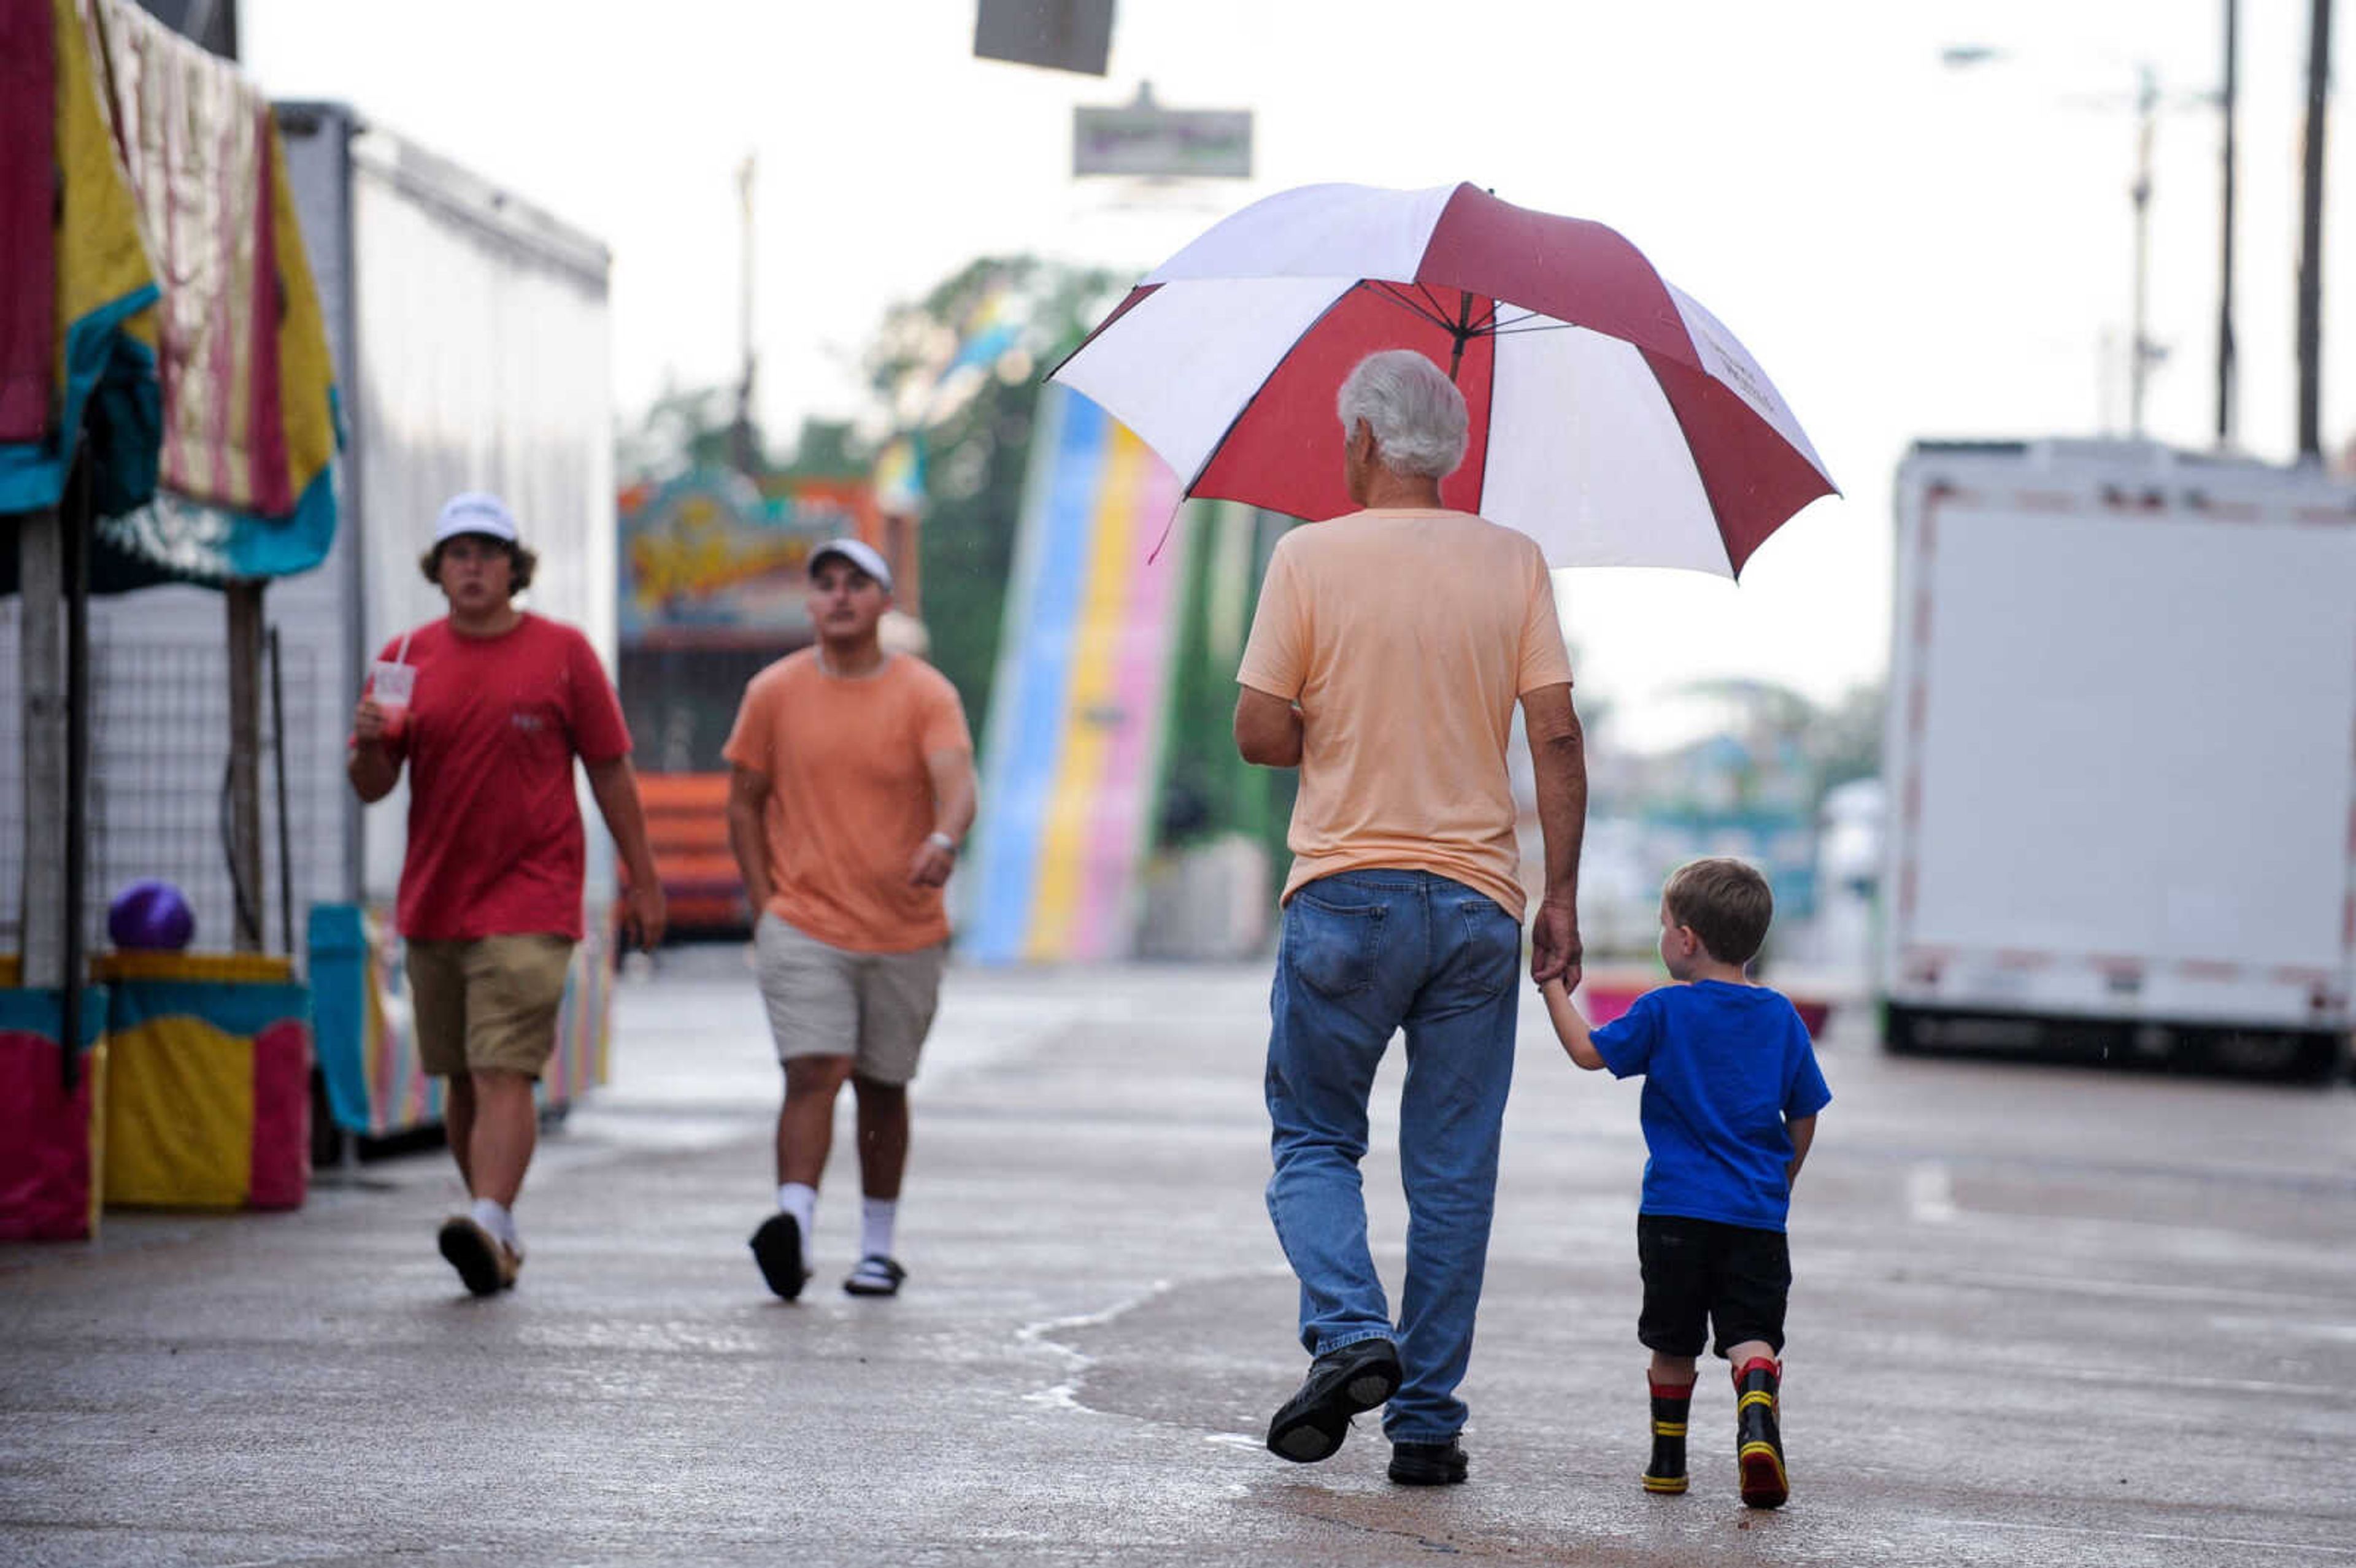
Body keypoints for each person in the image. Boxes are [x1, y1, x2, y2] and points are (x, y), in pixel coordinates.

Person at [1235, 348, 1588, 1486]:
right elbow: (1558, 738)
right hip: (1482, 905)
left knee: (1313, 1138)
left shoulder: (1307, 558)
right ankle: (1427, 1427)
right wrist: (1563, 896)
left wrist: (1328, 730)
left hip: (1344, 896)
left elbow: (1256, 729)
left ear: (1365, 442)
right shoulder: (1515, 561)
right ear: (1452, 451)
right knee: (1451, 1171)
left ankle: (1347, 1331)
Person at [348, 490, 665, 1297]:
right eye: (460, 553)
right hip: (436, 901)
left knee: (503, 1068)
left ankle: (489, 1214)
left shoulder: (563, 653)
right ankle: (497, 1228)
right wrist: (374, 746)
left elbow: (610, 768)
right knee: (458, 1077)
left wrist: (644, 876)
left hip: (534, 897)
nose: (474, 566)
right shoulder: (404, 655)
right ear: (439, 569)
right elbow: (372, 784)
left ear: (514, 567)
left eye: (489, 552)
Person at [722, 537, 976, 1302]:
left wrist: (943, 839)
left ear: (883, 602)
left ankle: (876, 1247)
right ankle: (792, 1227)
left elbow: (959, 785)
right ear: (810, 603)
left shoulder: (926, 694)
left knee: (882, 1085)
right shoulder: (773, 691)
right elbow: (743, 801)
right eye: (825, 584)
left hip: (904, 927)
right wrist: (767, 906)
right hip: (803, 921)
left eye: (856, 584)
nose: (838, 596)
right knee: (812, 1070)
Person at [1540, 857, 1831, 1509]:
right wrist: (1783, 1175)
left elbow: (1588, 1053)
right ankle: (1756, 1411)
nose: (1661, 935)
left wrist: (1553, 988)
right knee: (1751, 1334)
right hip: (1756, 1216)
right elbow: (1806, 1109)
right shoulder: (1781, 1018)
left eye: (1663, 924)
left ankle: (1667, 1466)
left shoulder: (1665, 1011)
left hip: (1674, 1213)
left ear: (1688, 939)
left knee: (1673, 1345)